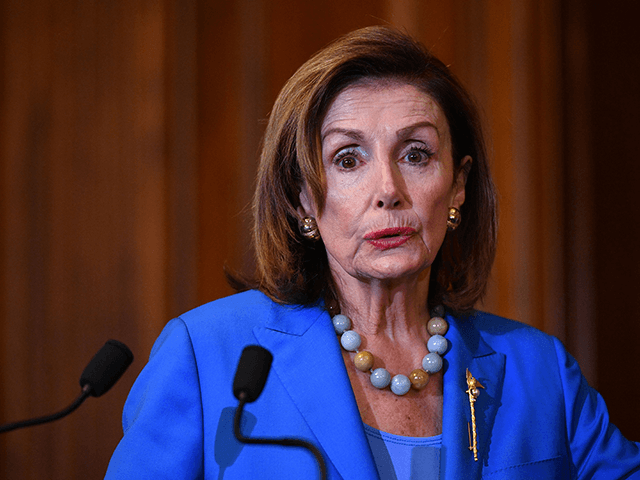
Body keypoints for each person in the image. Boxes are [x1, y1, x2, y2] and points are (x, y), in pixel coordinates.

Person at [105, 26, 640, 479]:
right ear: (301, 198)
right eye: (348, 159)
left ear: (458, 186)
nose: (388, 188)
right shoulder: (207, 356)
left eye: (415, 153)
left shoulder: (539, 369)